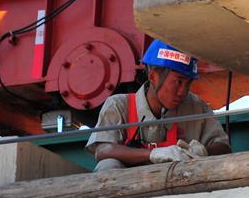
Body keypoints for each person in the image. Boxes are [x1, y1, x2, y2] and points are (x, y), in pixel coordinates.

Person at [86, 39, 231, 171]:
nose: (183, 92)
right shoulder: (119, 105)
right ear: (153, 77)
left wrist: (204, 151)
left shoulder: (197, 107)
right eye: (178, 82)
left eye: (188, 83)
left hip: (182, 190)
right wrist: (152, 154)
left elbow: (224, 147)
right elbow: (102, 150)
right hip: (130, 188)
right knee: (107, 165)